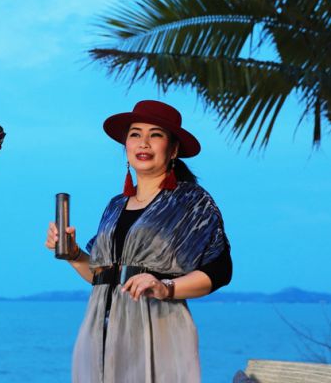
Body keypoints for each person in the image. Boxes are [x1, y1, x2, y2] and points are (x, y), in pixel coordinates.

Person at [44, 100, 232, 383]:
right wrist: (73, 254)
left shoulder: (191, 202)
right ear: (126, 147)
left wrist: (165, 287)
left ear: (173, 150)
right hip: (100, 331)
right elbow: (101, 276)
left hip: (159, 328)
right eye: (135, 134)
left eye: (155, 135)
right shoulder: (115, 205)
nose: (143, 143)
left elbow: (220, 271)